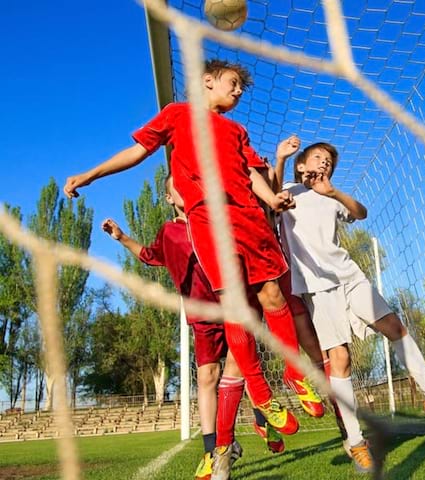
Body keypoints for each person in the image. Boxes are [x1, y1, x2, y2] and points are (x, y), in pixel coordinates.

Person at [63, 59, 324, 429]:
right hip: (210, 222)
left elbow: (250, 173)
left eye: (240, 88)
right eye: (232, 83)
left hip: (249, 217)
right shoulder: (176, 115)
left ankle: (293, 373)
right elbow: (136, 151)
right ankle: (261, 393)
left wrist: (271, 198)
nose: (237, 91)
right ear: (207, 81)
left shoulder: (237, 131)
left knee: (273, 296)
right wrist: (90, 174)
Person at [277, 142, 425, 473]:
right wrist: (281, 159)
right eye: (319, 158)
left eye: (330, 162)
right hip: (318, 287)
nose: (325, 164)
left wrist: (333, 192)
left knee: (395, 327)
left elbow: (360, 213)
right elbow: (271, 192)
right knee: (341, 358)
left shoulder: (331, 196)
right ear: (301, 164)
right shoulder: (287, 191)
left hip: (350, 276)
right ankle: (354, 440)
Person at [102, 175, 282, 480]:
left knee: (243, 369)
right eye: (178, 187)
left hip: (236, 308)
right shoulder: (170, 233)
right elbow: (149, 256)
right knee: (207, 377)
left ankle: (259, 421)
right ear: (170, 198)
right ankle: (213, 451)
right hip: (202, 316)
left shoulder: (219, 221)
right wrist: (121, 237)